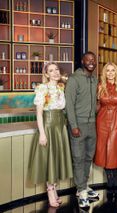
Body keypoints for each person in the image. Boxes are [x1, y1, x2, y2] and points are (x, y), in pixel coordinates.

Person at [28, 62, 73, 207]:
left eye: (57, 70)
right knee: (49, 159)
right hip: (48, 125)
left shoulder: (61, 87)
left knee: (56, 158)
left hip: (60, 125)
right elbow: (39, 113)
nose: (55, 72)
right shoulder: (42, 88)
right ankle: (50, 191)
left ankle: (54, 190)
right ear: (46, 74)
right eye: (51, 70)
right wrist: (42, 133)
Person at [65, 51, 99, 208]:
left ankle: (83, 186)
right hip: (78, 125)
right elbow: (69, 105)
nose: (91, 62)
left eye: (93, 60)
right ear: (82, 61)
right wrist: (74, 126)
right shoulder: (73, 79)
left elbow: (94, 103)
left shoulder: (94, 79)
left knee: (88, 157)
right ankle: (81, 191)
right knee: (78, 159)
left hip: (92, 125)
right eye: (88, 60)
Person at [94, 62, 117, 189]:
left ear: (116, 72)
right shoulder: (100, 86)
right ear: (104, 73)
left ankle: (115, 177)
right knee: (103, 148)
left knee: (114, 149)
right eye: (108, 71)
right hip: (102, 119)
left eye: (112, 70)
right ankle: (110, 179)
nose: (110, 73)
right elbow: (96, 105)